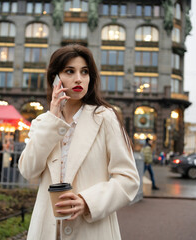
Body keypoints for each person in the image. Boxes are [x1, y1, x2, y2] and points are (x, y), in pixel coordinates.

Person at [19, 44, 140, 239]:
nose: (78, 78)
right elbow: (28, 170)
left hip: (92, 230)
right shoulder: (42, 122)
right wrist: (53, 119)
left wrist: (87, 202)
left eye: (84, 72)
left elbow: (128, 180)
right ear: (55, 78)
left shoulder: (104, 117)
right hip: (47, 230)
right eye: (69, 71)